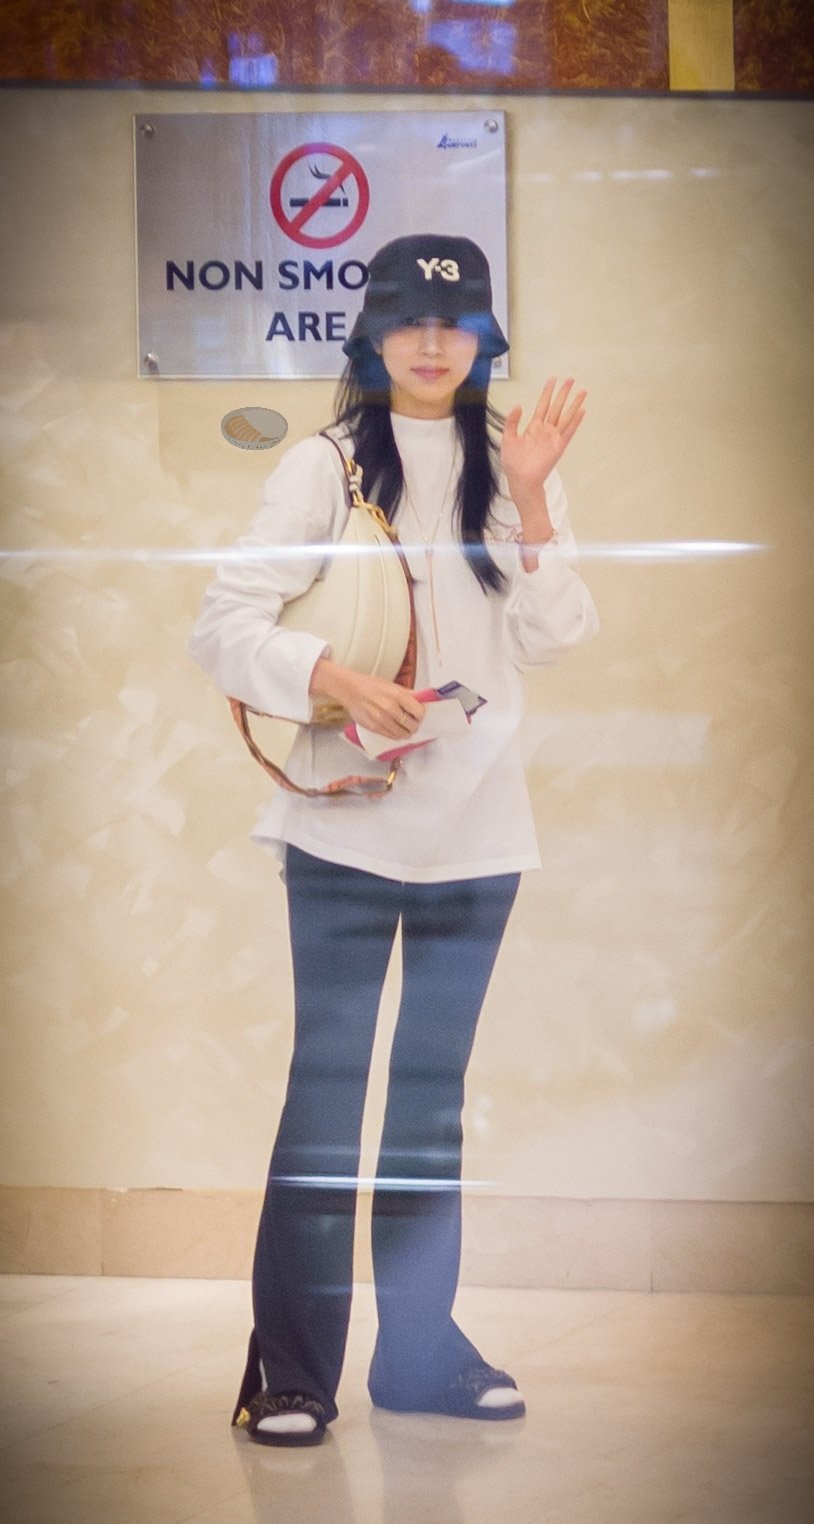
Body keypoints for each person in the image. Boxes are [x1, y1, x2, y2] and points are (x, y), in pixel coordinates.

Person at [189, 234, 599, 1447]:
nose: (431, 342)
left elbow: (556, 635)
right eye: (409, 320)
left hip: (480, 837)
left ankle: (418, 1355)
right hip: (346, 828)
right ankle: (291, 1370)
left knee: (427, 1105)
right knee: (326, 1097)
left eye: (454, 321)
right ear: (372, 333)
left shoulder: (512, 464)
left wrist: (534, 496)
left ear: (483, 338)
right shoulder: (321, 466)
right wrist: (330, 671)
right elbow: (222, 624)